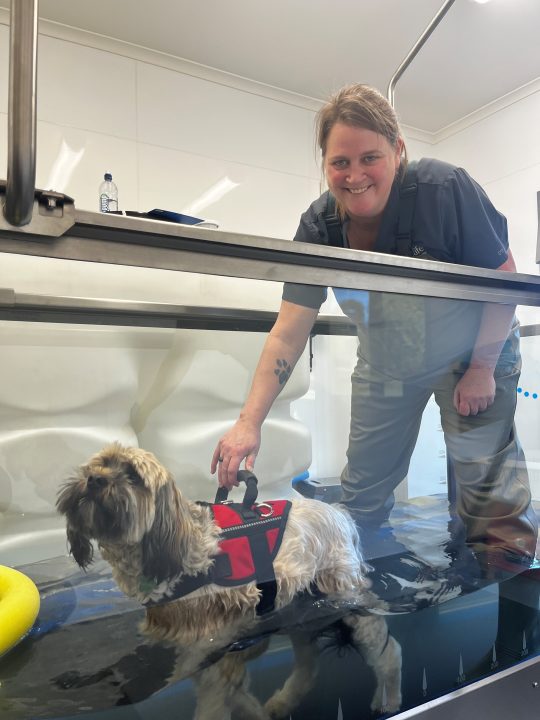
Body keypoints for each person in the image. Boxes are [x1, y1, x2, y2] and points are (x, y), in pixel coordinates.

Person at [211, 83, 537, 567]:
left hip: (474, 353)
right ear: (324, 164)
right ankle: (360, 597)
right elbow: (288, 330)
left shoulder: (443, 189)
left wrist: (483, 369)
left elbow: (503, 279)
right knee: (360, 496)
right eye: (340, 162)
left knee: (489, 500)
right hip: (388, 362)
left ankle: (502, 607)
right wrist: (248, 422)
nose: (354, 175)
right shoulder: (319, 227)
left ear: (398, 150)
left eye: (370, 158)